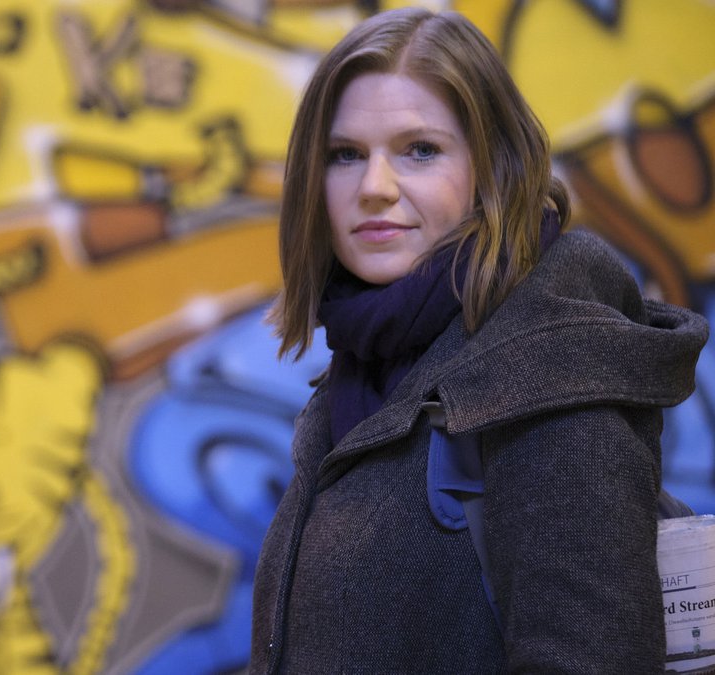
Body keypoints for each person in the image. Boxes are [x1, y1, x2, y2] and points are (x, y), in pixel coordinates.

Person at [250, 7, 708, 673]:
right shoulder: (367, 373)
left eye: (420, 150)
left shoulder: (547, 371)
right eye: (345, 154)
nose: (374, 187)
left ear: (491, 168)